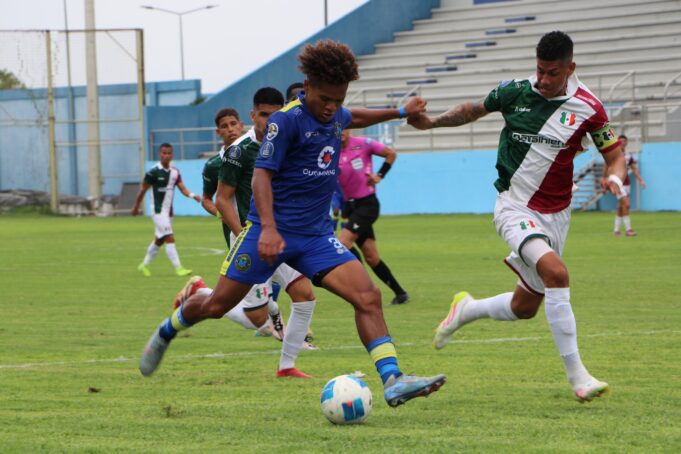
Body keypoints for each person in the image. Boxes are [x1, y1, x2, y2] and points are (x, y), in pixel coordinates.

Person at [140, 40, 446, 407]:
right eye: (324, 98)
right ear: (307, 86)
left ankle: (392, 379)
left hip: (316, 237)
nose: (331, 107)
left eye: (338, 99)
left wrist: (399, 111)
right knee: (217, 306)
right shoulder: (285, 122)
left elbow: (355, 116)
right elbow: (261, 176)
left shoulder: (335, 114)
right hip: (266, 234)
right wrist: (268, 228)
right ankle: (169, 327)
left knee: (368, 296)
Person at [409, 31, 626, 402]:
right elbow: (471, 110)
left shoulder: (589, 108)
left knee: (524, 308)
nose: (543, 79)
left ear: (570, 68)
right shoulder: (515, 92)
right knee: (557, 274)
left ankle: (466, 309)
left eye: (552, 73)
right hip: (513, 206)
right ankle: (579, 378)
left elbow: (614, 156)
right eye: (539, 70)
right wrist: (430, 123)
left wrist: (615, 178)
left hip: (556, 215)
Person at [337, 129, 410, 305]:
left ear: (350, 128)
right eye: (337, 128)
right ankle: (400, 294)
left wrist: (379, 175)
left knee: (342, 243)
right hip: (350, 207)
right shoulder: (331, 151)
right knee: (371, 257)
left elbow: (391, 154)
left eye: (344, 127)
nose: (341, 131)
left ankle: (362, 285)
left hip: (367, 205)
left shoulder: (363, 143)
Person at [131, 143, 201, 277]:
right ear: (160, 154)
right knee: (169, 237)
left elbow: (182, 188)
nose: (166, 155)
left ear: (172, 155)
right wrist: (136, 207)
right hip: (157, 211)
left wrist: (193, 195)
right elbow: (142, 191)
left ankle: (144, 265)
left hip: (169, 212)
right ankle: (179, 268)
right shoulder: (153, 172)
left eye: (169, 153)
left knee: (159, 240)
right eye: (164, 153)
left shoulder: (175, 172)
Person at [200, 107, 243, 245]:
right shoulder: (213, 165)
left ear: (241, 126)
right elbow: (206, 199)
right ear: (218, 132)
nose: (230, 129)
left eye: (233, 123)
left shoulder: (258, 154)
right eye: (224, 126)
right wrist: (221, 213)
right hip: (234, 232)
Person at [601, 134, 646, 236]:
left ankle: (616, 230)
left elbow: (634, 168)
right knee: (626, 204)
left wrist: (640, 180)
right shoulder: (613, 154)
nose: (623, 143)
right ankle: (628, 230)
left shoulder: (628, 155)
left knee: (621, 206)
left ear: (627, 142)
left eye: (624, 141)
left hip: (626, 183)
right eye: (620, 141)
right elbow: (606, 167)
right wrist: (604, 180)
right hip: (616, 183)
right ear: (617, 142)